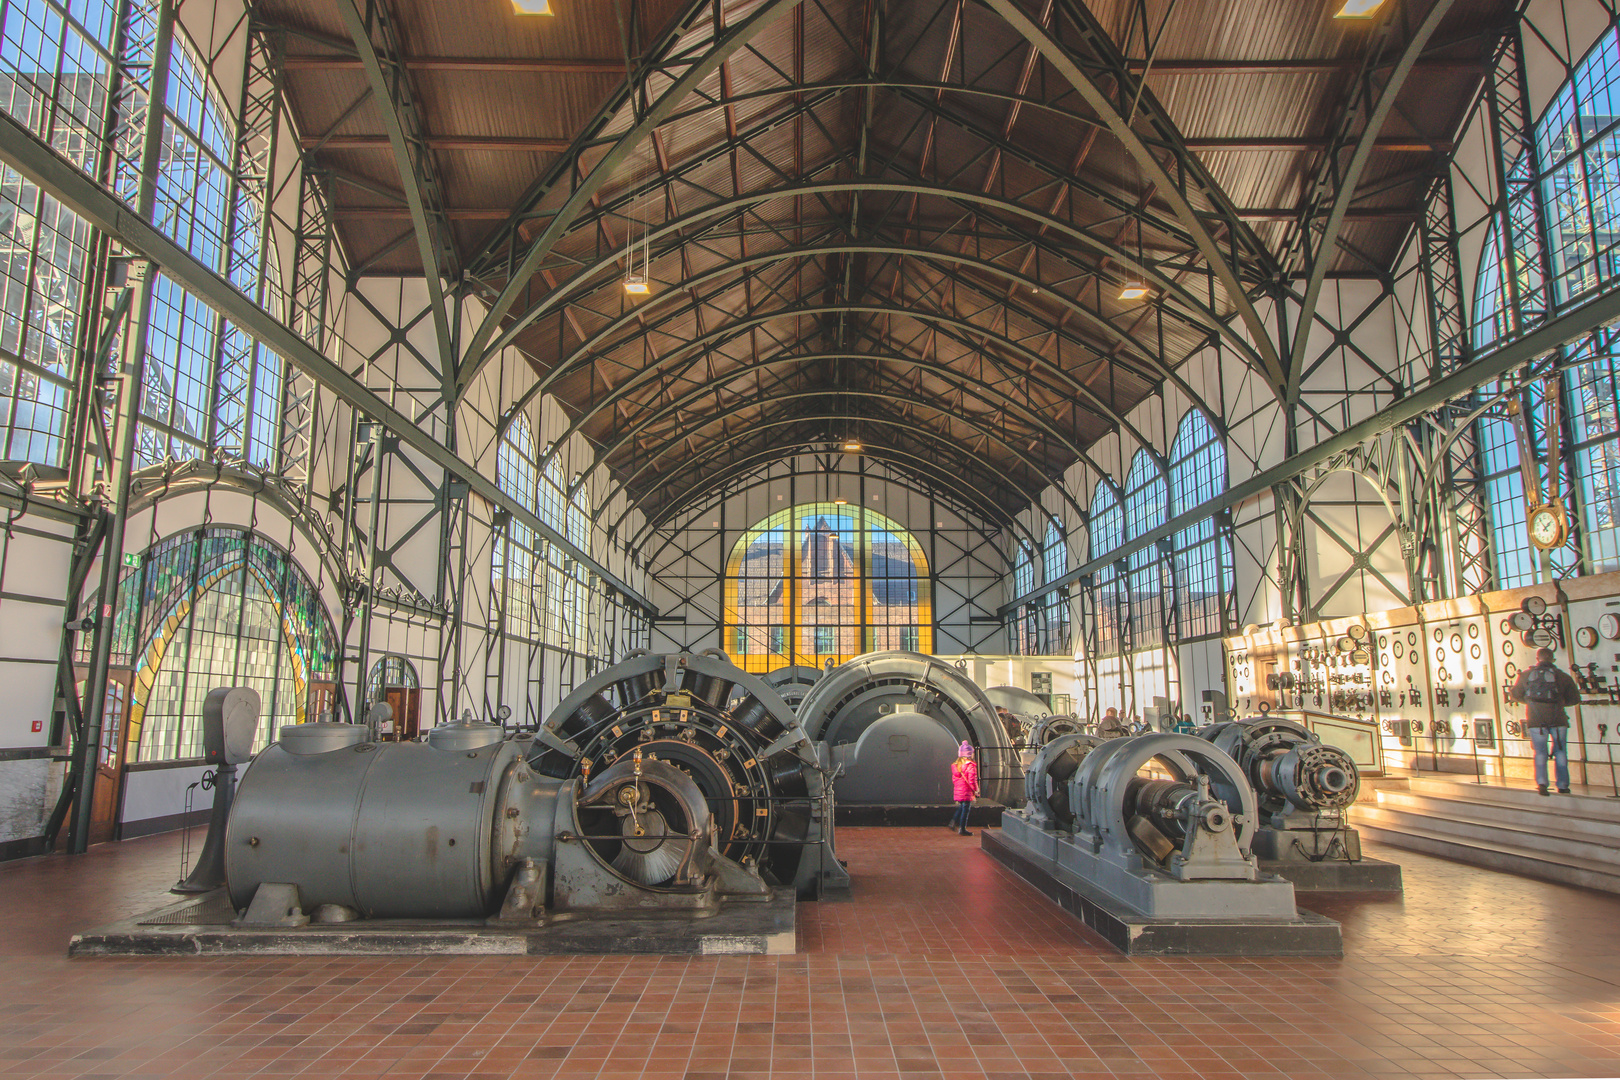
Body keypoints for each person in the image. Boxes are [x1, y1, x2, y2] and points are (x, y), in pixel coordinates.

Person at [1510, 647, 1582, 795]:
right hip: (1558, 720)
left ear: (1537, 659)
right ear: (1553, 659)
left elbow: (1515, 695)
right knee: (1561, 752)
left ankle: (1542, 783)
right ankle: (1562, 785)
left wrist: (1531, 702)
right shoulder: (1562, 676)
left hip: (1536, 721)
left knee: (1540, 752)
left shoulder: (1526, 675)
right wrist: (1559, 703)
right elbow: (1575, 699)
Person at [949, 741, 979, 836]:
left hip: (959, 791)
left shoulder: (956, 765)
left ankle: (953, 821)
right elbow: (972, 780)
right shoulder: (970, 766)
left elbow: (955, 780)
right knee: (965, 810)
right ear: (969, 754)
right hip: (966, 791)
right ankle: (962, 829)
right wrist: (976, 790)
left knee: (961, 807)